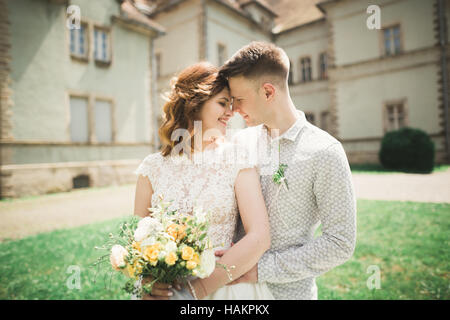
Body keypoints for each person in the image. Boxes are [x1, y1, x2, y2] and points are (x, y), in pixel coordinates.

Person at [215, 41, 357, 300]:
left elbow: (340, 242)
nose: (233, 110)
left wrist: (261, 270)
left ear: (268, 92)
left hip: (289, 294)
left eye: (239, 100)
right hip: (230, 293)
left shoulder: (325, 151)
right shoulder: (239, 142)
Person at [133, 62, 274, 300]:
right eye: (222, 103)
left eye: (231, 105)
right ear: (194, 103)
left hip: (222, 289)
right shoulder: (152, 167)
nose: (231, 112)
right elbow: (137, 239)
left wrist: (197, 291)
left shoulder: (237, 159)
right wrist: (147, 282)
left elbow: (259, 236)